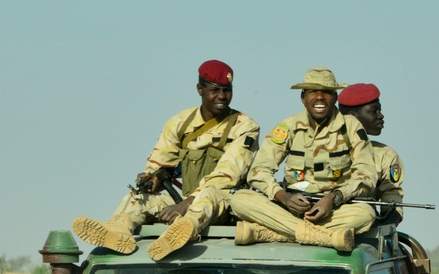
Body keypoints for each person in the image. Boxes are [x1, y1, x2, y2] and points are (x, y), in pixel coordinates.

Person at [73, 60, 260, 261]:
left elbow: (226, 175)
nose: (222, 97)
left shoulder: (244, 126)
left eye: (227, 90)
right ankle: (118, 230)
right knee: (137, 198)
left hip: (223, 203)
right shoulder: (179, 123)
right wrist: (153, 179)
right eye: (215, 90)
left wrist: (186, 205)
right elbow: (161, 163)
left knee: (209, 195)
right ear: (199, 89)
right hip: (183, 199)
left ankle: (182, 232)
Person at [229, 67, 377, 251]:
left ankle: (273, 233)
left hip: (334, 210)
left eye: (326, 92)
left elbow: (366, 175)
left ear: (335, 97)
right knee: (240, 200)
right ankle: (321, 237)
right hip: (289, 208)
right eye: (313, 92)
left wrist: (334, 198)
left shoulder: (350, 127)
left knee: (365, 214)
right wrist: (283, 197)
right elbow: (258, 171)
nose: (320, 97)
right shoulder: (288, 127)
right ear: (303, 98)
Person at [337, 83, 404, 222]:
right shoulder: (321, 145)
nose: (381, 116)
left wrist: (389, 219)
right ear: (351, 117)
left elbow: (392, 198)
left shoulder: (385, 155)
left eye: (380, 110)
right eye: (374, 111)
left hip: (362, 226)